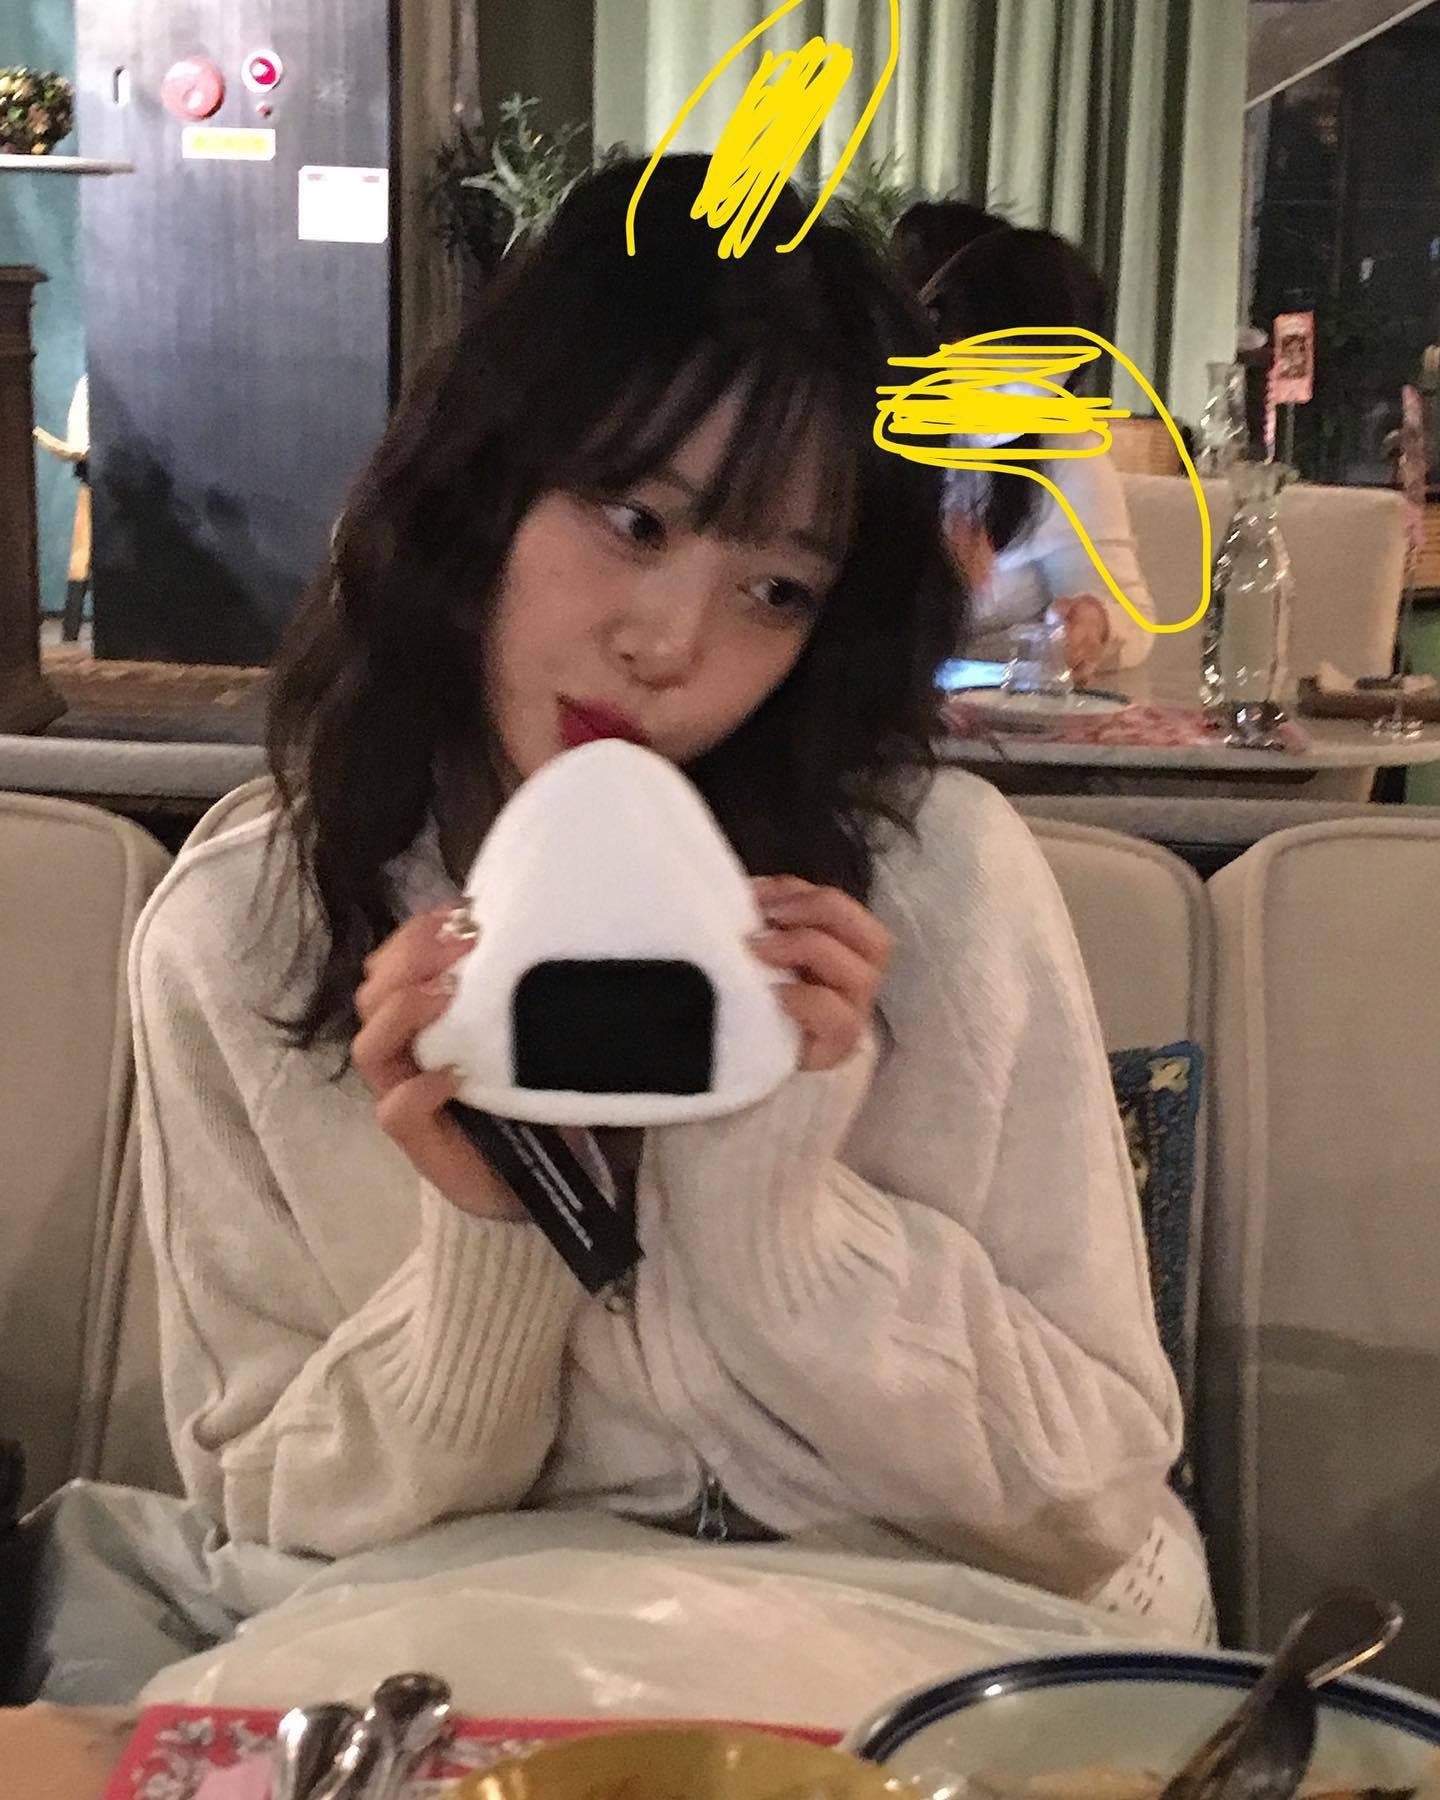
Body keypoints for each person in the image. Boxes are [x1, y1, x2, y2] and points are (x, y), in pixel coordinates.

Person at [129, 153, 1212, 1641]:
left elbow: (1092, 1497)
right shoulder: (251, 924)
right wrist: (494, 1235)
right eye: (635, 521)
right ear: (483, 480)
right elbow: (262, 1505)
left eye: (777, 590)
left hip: (920, 1642)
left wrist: (782, 1213)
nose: (671, 646)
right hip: (463, 1656)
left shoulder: (935, 878)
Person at [902, 220, 1158, 681]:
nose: (1016, 403)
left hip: (994, 704)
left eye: (1045, 382)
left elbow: (1129, 612)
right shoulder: (867, 430)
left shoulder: (1064, 450)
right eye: (996, 374)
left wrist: (1096, 624)